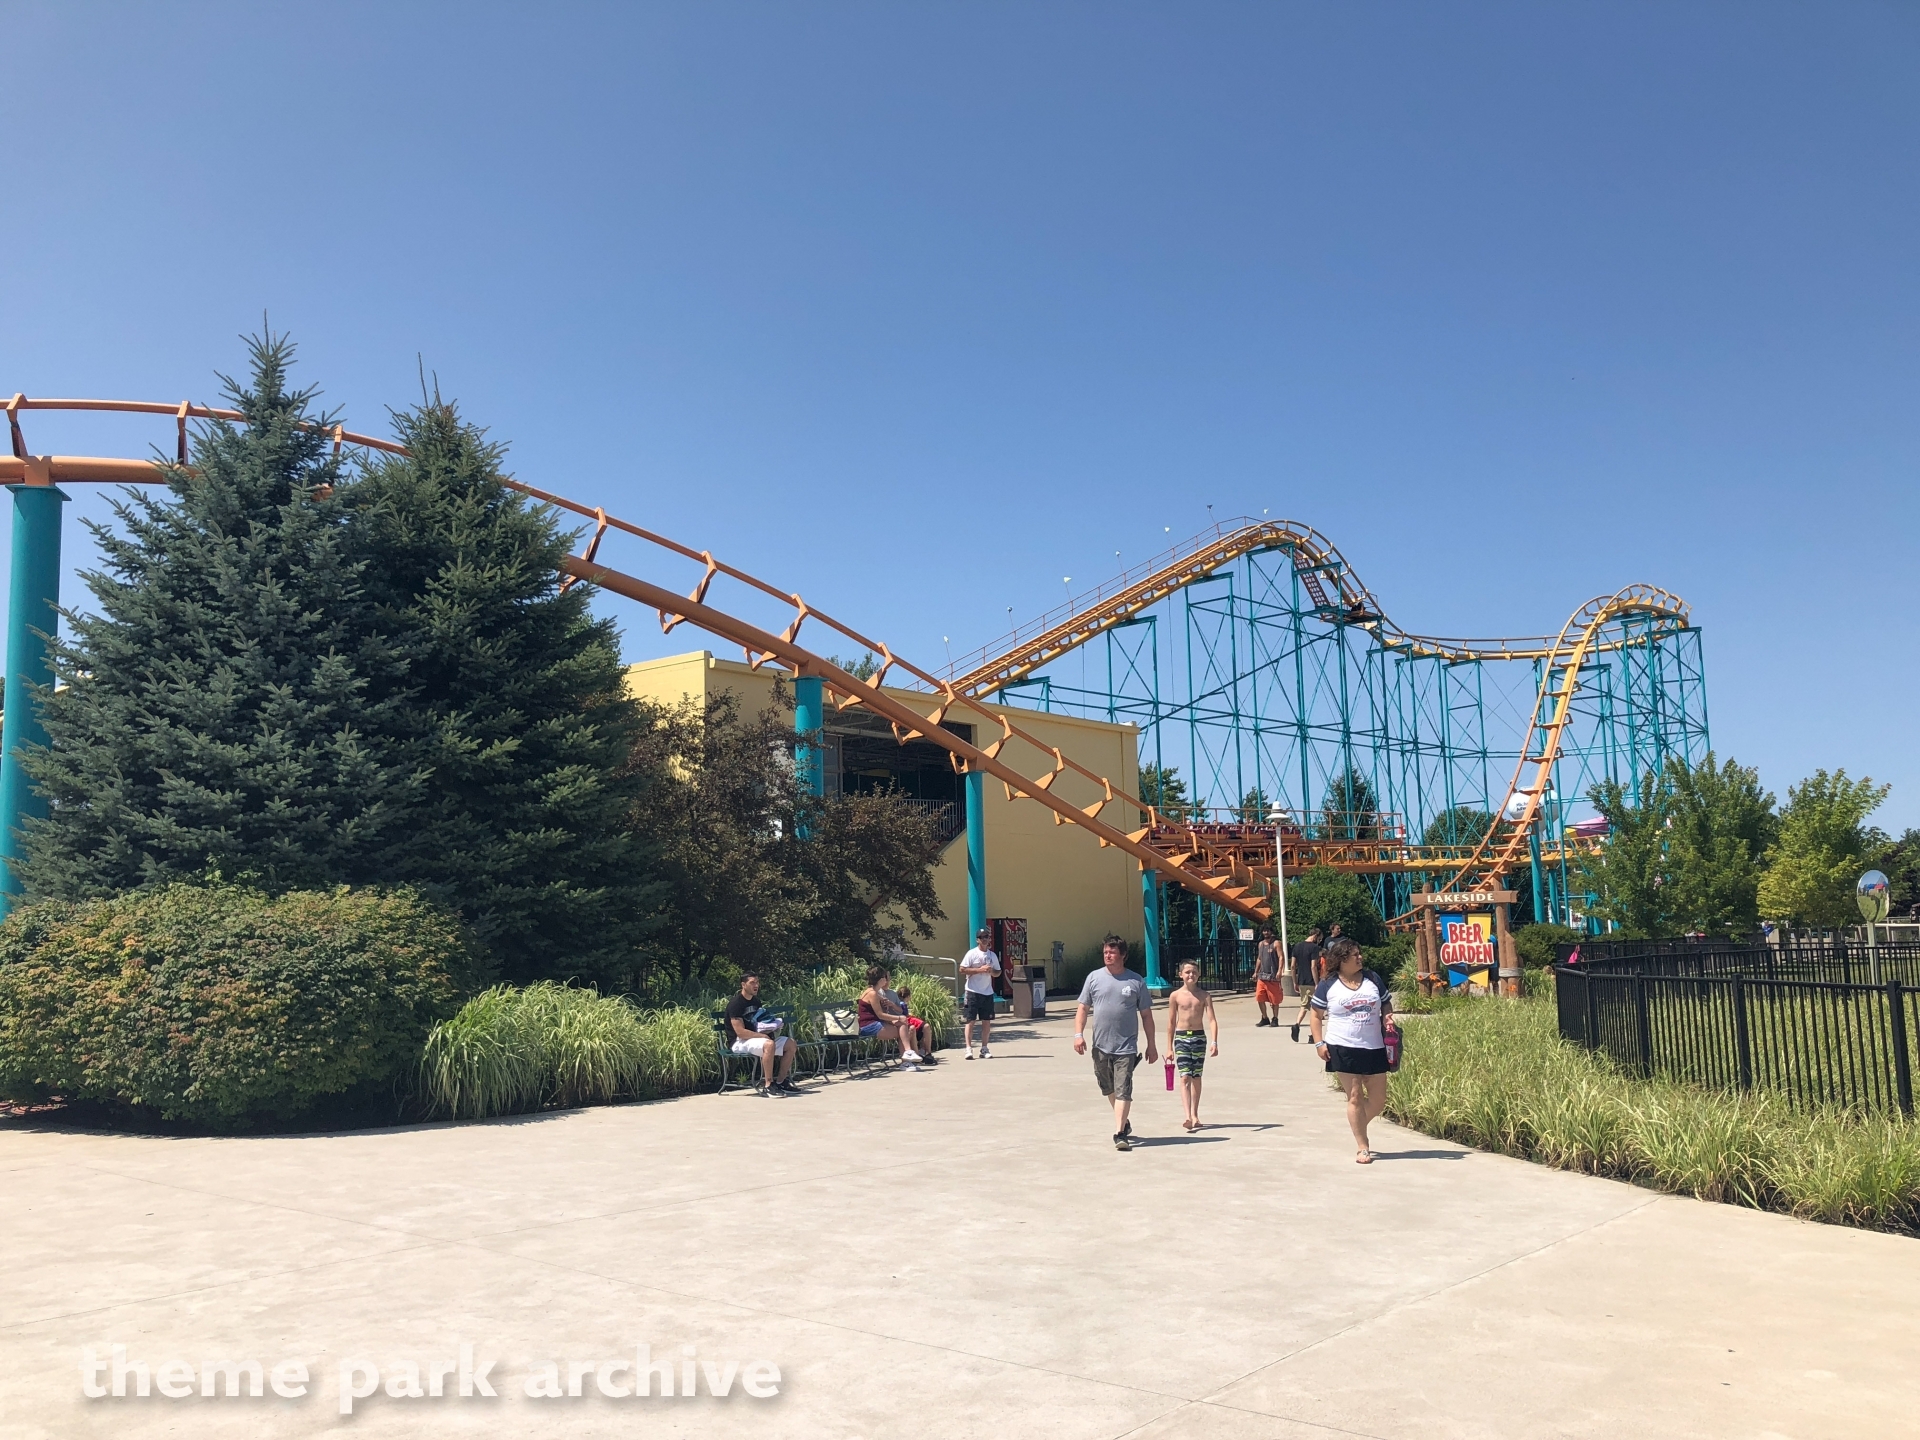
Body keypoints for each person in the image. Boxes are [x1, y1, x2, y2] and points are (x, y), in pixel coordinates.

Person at [1308, 936, 1393, 1163]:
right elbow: (1315, 1015)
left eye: (1359, 953)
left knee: (1379, 1099)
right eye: (1355, 955)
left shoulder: (1372, 978)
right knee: (1354, 1096)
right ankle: (1362, 1146)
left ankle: (1357, 1124)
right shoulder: (1328, 984)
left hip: (1374, 1046)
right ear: (1342, 959)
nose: (1360, 957)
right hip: (1341, 1046)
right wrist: (1319, 1043)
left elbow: (1386, 1002)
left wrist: (1388, 1017)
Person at [1072, 935, 1158, 1151]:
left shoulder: (1136, 981)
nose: (1107, 956)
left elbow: (1146, 1015)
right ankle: (1124, 1121)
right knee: (1108, 1087)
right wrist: (1078, 1035)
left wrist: (1151, 1044)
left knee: (1123, 1089)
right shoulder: (1094, 978)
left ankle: (1120, 1133)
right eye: (1105, 952)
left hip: (1126, 1046)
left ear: (1123, 955)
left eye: (1112, 952)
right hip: (1100, 1045)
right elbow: (1083, 1008)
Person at [1164, 959, 1219, 1131]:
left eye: (1194, 972)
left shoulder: (1204, 996)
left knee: (1196, 1076)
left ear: (1199, 974)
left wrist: (1214, 1041)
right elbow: (1171, 1022)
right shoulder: (1175, 996)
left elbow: (1212, 1020)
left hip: (1198, 1038)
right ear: (1180, 974)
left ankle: (1195, 1114)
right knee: (1184, 1076)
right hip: (1181, 1037)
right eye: (1187, 972)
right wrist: (1169, 1047)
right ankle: (1187, 1115)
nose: (1191, 975)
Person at [725, 972, 798, 1094]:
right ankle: (768, 1085)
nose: (756, 985)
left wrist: (772, 1027)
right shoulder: (735, 1004)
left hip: (757, 1039)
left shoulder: (756, 1001)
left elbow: (759, 1023)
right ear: (743, 985)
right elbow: (740, 1032)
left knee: (791, 1043)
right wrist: (763, 1036)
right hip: (739, 1042)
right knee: (768, 1045)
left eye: (757, 982)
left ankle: (781, 1082)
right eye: (752, 983)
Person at [858, 965, 926, 1069]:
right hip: (868, 1026)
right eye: (885, 977)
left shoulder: (872, 991)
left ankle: (907, 1055)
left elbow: (880, 1005)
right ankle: (906, 1059)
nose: (886, 980)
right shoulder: (872, 993)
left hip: (875, 1023)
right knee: (904, 1031)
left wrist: (885, 1002)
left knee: (903, 1025)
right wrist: (898, 1018)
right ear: (881, 980)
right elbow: (880, 1015)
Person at [878, 969, 938, 1065]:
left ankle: (917, 1056)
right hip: (890, 1021)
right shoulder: (878, 993)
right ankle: (908, 1059)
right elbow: (881, 1013)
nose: (888, 981)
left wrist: (893, 1005)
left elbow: (900, 1010)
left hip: (899, 1019)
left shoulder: (892, 993)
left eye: (889, 979)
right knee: (907, 1027)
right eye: (887, 979)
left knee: (912, 1027)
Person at [959, 927, 1001, 1059]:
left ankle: (984, 1048)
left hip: (987, 992)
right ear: (977, 940)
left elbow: (998, 972)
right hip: (972, 991)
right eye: (982, 937)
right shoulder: (971, 954)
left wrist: (991, 971)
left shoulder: (992, 955)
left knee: (986, 1021)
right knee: (970, 1021)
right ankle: (968, 1048)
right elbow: (962, 969)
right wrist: (980, 970)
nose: (985, 939)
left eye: (987, 937)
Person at [1287, 927, 1324, 1041]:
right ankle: (1313, 1035)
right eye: (1319, 939)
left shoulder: (1297, 946)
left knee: (1304, 1006)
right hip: (1311, 981)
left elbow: (1293, 966)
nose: (1319, 941)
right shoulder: (1314, 948)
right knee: (1316, 1009)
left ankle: (1297, 1024)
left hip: (1301, 981)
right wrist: (1317, 983)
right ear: (1315, 936)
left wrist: (1295, 981)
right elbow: (1313, 966)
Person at [1253, 928, 1284, 1026]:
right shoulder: (1261, 944)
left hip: (1273, 976)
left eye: (1268, 931)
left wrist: (1280, 970)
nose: (1266, 933)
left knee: (1274, 999)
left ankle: (1275, 1018)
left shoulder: (1276, 943)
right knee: (1259, 997)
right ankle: (1264, 1017)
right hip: (1262, 976)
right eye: (1264, 931)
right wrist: (1256, 972)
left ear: (1271, 932)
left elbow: (1281, 957)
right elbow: (1259, 958)